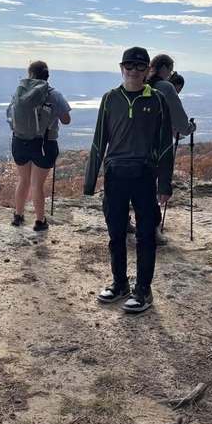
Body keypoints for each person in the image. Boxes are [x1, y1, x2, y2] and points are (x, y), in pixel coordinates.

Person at [84, 47, 173, 314]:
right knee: (116, 233)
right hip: (116, 175)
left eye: (139, 67)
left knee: (146, 235)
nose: (133, 71)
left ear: (147, 71)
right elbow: (99, 140)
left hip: (145, 175)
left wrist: (165, 184)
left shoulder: (157, 100)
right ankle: (120, 283)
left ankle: (143, 290)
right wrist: (90, 181)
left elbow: (165, 144)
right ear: (121, 68)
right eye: (128, 66)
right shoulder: (110, 99)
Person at [7, 61, 71, 230]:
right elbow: (66, 120)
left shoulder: (20, 92)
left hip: (19, 141)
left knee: (23, 180)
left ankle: (18, 215)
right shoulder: (54, 94)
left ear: (30, 74)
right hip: (44, 143)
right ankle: (40, 221)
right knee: (36, 184)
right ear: (47, 76)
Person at [147, 54, 195, 137]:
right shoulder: (166, 87)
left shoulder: (141, 84)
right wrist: (192, 127)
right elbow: (182, 126)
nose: (170, 75)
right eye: (170, 70)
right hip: (155, 145)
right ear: (164, 68)